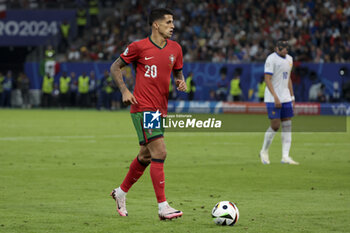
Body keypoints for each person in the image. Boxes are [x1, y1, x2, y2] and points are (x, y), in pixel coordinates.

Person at [109, 8, 187, 220]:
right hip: (143, 107)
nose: (172, 26)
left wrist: (181, 80)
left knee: (145, 155)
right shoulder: (138, 47)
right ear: (156, 24)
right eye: (168, 22)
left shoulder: (176, 48)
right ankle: (163, 207)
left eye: (173, 22)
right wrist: (125, 90)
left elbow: (177, 69)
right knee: (160, 152)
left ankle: (120, 192)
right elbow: (115, 67)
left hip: (160, 109)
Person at [259, 40, 299, 165]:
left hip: (285, 97)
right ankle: (264, 151)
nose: (285, 50)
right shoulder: (271, 59)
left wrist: (292, 97)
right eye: (282, 48)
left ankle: (285, 156)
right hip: (273, 97)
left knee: (287, 125)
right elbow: (267, 79)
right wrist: (275, 97)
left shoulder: (290, 59)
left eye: (286, 48)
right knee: (275, 126)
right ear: (277, 48)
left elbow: (288, 79)